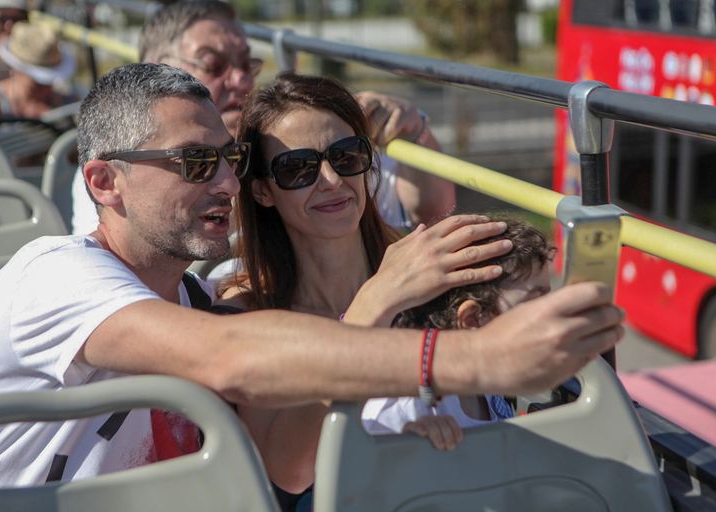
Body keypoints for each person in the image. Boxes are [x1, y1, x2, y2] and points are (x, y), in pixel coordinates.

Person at [0, 62, 624, 489]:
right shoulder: (55, 276)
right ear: (105, 182)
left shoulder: (194, 302)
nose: (224, 180)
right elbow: (234, 365)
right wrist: (476, 358)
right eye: (197, 163)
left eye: (228, 158)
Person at [212, 74, 561, 510]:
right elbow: (290, 471)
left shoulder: (426, 265)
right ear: (262, 190)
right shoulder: (247, 314)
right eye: (297, 168)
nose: (331, 180)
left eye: (346, 156)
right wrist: (372, 305)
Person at [70, 0, 455, 235]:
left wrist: (414, 127)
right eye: (213, 64)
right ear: (158, 70)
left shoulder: (299, 142)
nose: (240, 79)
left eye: (246, 64)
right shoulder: (122, 167)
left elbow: (430, 213)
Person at [362, 216, 556, 451]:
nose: (552, 313)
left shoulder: (485, 380)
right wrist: (406, 441)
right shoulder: (412, 404)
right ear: (472, 320)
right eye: (535, 302)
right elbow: (361, 451)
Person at [0, 21, 76, 170]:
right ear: (15, 68)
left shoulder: (68, 103)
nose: (44, 85)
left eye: (48, 78)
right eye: (36, 79)